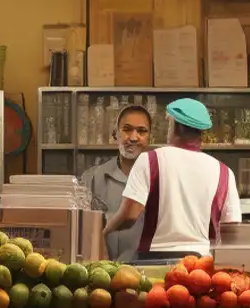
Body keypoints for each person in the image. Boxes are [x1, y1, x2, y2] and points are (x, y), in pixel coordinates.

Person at [105, 98, 240, 260]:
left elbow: (129, 215)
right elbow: (232, 229)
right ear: (201, 132)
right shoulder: (224, 172)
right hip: (202, 262)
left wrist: (106, 230)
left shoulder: (150, 160)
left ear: (174, 125)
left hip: (154, 259)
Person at [81, 104, 152, 262]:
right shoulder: (92, 178)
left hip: (145, 272)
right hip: (100, 271)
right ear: (115, 135)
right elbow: (81, 230)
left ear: (149, 138)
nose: (133, 137)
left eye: (142, 131)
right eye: (127, 129)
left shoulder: (158, 179)